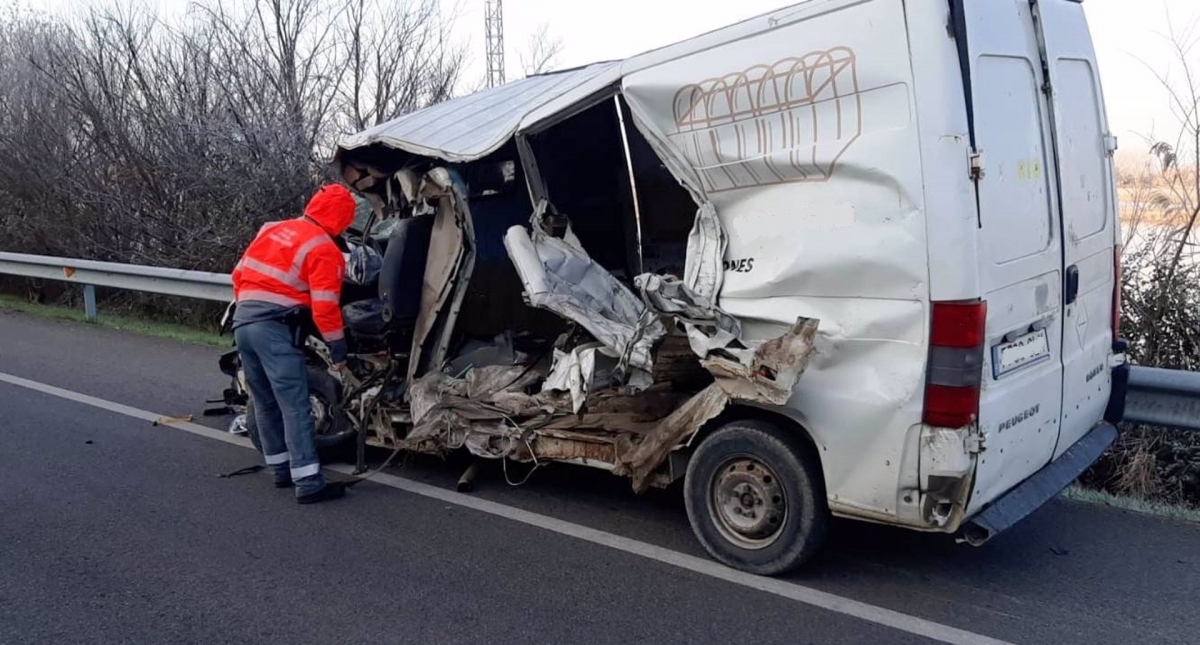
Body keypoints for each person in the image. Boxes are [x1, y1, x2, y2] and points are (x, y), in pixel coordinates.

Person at [230, 183, 356, 504]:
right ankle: (309, 483)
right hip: (274, 328)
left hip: (243, 322)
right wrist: (337, 347)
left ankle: (280, 470)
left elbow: (238, 275)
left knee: (265, 401)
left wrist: (250, 311)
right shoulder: (323, 248)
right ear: (342, 219)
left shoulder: (272, 229)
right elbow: (325, 306)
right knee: (295, 405)